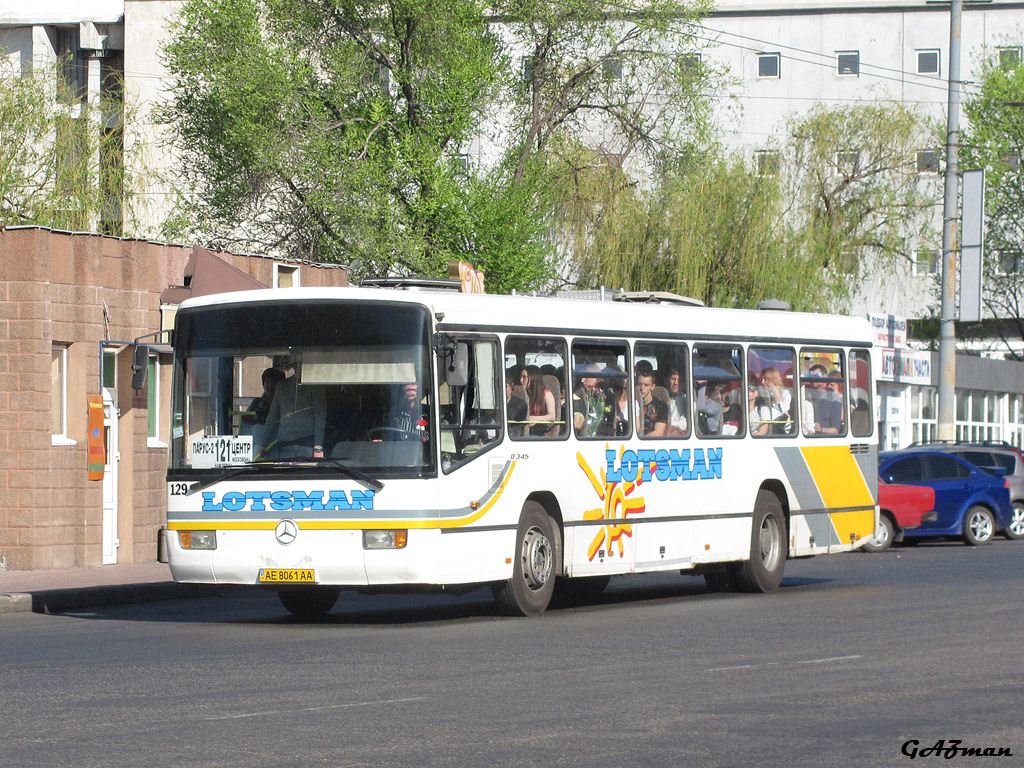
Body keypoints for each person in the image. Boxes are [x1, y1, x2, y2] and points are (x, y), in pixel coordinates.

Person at [258, 365, 327, 458]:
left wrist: (263, 444)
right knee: (307, 472)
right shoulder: (315, 386)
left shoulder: (282, 386)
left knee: (289, 472)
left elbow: (272, 418)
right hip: (301, 443)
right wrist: (318, 447)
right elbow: (320, 418)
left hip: (293, 443)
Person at [749, 367, 792, 436]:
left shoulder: (785, 393)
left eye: (766, 379)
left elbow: (783, 410)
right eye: (762, 379)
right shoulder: (762, 393)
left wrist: (775, 391)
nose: (762, 382)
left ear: (773, 379)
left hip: (780, 428)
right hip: (764, 424)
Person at [802, 364, 842, 435]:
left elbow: (835, 430)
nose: (813, 379)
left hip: (822, 440)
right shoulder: (805, 394)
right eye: (810, 377)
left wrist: (822, 429)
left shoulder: (833, 398)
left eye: (816, 376)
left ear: (825, 376)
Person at [573, 363, 607, 437]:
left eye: (586, 377)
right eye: (581, 377)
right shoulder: (576, 395)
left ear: (596, 377)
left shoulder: (608, 396)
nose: (582, 380)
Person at [522, 364, 557, 436]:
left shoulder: (547, 394)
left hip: (539, 431)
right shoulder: (523, 395)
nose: (521, 380)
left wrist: (536, 419)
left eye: (524, 377)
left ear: (533, 378)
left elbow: (552, 416)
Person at [635, 361, 667, 437]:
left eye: (646, 385)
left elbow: (658, 432)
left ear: (652, 386)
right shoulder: (631, 404)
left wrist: (639, 442)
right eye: (640, 384)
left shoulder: (661, 406)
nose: (642, 388)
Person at [666, 368, 688, 435]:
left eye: (679, 380)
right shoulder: (661, 398)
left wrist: (670, 423)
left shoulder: (686, 400)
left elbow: (685, 423)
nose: (675, 383)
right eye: (673, 379)